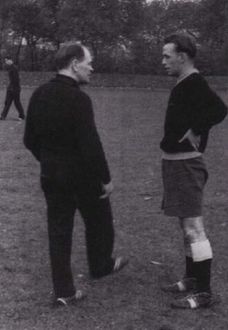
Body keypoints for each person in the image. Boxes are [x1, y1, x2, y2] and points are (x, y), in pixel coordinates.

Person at [23, 42, 128, 307]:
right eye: (88, 62)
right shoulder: (79, 99)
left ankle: (64, 291)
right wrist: (106, 178)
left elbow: (29, 139)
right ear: (73, 64)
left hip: (51, 175)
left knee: (59, 231)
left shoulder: (39, 94)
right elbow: (91, 145)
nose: (91, 67)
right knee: (100, 216)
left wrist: (48, 160)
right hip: (80, 176)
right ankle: (101, 264)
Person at [160, 32, 228, 309]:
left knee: (193, 227)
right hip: (175, 162)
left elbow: (220, 109)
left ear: (182, 56)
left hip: (187, 163)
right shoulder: (183, 83)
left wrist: (197, 129)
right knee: (184, 224)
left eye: (167, 56)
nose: (162, 61)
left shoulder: (195, 82)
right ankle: (191, 278)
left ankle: (204, 291)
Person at [0, 56, 25, 121]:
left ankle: (22, 115)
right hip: (11, 88)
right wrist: (10, 87)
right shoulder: (10, 68)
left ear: (10, 60)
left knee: (17, 102)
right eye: (5, 61)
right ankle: (3, 116)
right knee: (7, 102)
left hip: (15, 89)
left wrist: (13, 88)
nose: (6, 62)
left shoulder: (14, 68)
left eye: (6, 61)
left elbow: (16, 80)